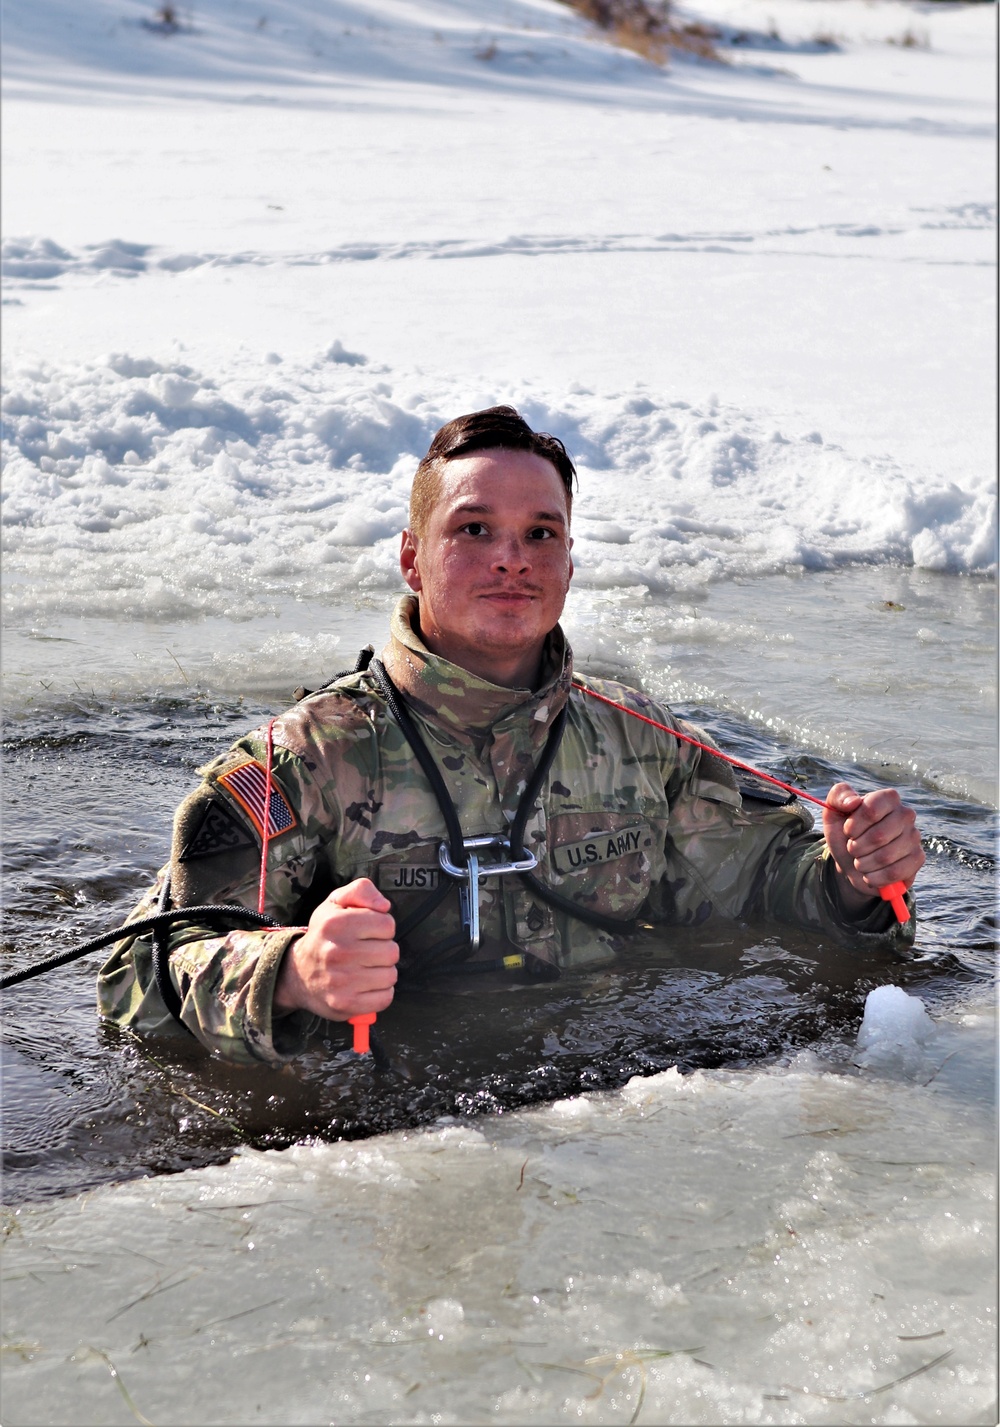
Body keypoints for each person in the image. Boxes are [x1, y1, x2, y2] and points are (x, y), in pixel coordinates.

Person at [98, 407, 925, 1065]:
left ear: (569, 561)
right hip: (377, 1131)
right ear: (412, 559)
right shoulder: (302, 760)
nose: (513, 560)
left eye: (541, 533)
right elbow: (139, 973)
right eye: (474, 529)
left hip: (598, 1104)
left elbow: (758, 885)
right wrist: (295, 974)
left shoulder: (639, 741)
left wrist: (852, 875)